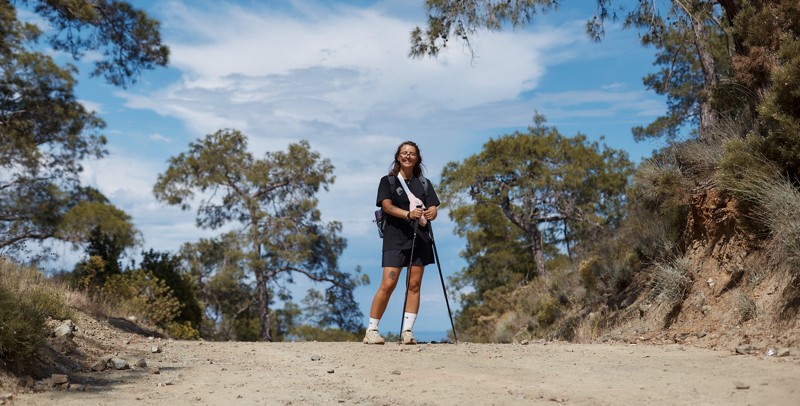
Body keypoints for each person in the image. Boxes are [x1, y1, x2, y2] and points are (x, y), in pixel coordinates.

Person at [364, 141, 440, 345]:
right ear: (398, 157)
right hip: (395, 239)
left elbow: (433, 207)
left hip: (421, 238)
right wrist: (408, 214)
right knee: (389, 283)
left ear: (417, 158)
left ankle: (407, 331)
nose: (408, 156)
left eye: (412, 153)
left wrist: (432, 212)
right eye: (404, 153)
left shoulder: (424, 183)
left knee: (414, 285)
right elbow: (387, 207)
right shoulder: (387, 182)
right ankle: (372, 330)